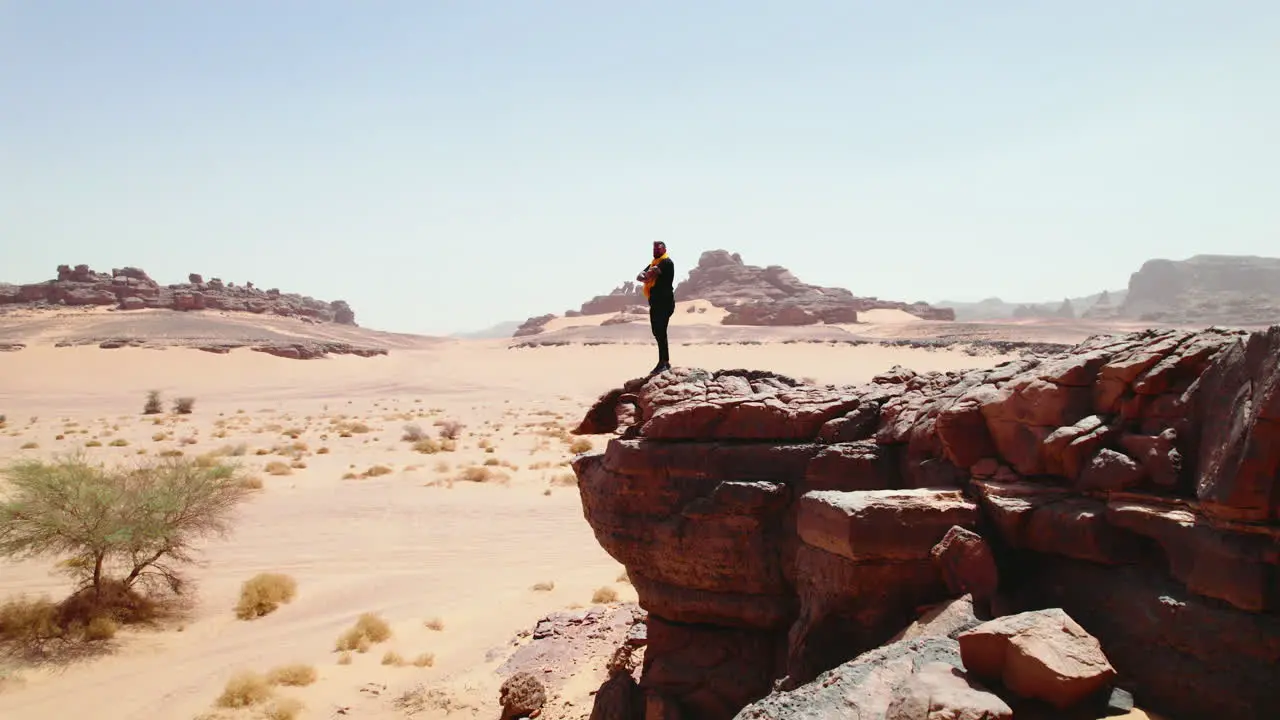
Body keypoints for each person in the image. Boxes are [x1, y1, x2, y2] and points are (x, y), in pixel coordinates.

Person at [636, 241, 675, 374]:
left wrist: (647, 275)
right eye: (654, 249)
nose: (655, 251)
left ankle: (664, 362)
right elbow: (640, 276)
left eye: (658, 249)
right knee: (657, 332)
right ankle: (663, 362)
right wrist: (645, 275)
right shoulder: (654, 262)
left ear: (664, 249)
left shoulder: (666, 262)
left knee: (661, 331)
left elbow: (649, 275)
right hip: (656, 303)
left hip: (664, 302)